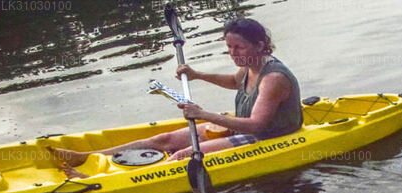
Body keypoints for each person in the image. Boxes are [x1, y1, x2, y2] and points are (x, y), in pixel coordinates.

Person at [51, 17, 302, 172]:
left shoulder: (273, 79)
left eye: (239, 47)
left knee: (183, 155)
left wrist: (204, 114)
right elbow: (233, 81)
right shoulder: (250, 65)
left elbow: (257, 124)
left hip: (266, 136)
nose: (233, 53)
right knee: (165, 139)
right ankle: (86, 157)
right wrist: (197, 74)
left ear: (259, 45)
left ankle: (107, 181)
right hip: (245, 127)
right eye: (229, 47)